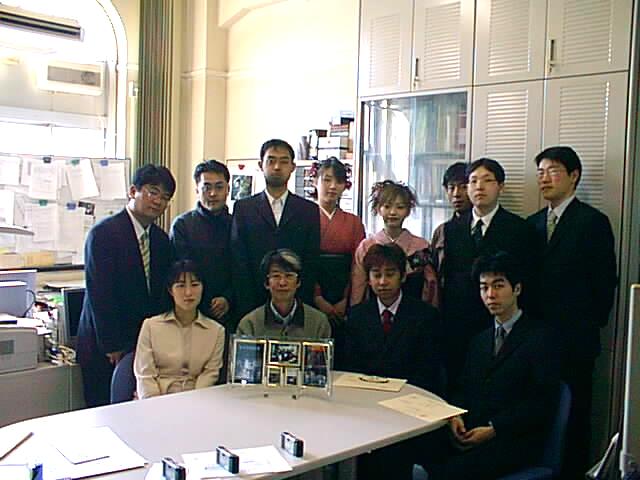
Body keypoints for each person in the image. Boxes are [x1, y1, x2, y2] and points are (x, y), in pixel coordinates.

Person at [418, 252, 560, 480]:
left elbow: (541, 403)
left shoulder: (540, 338)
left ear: (517, 289)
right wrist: (456, 416)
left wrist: (494, 429)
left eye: (498, 286)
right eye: (484, 288)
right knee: (415, 450)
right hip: (474, 430)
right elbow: (463, 388)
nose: (491, 295)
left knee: (452, 471)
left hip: (514, 438)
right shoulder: (480, 340)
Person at [527, 146, 617, 479]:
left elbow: (604, 284)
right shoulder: (533, 223)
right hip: (536, 339)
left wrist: (585, 325)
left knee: (576, 416)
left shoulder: (592, 222)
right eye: (540, 173)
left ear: (573, 176)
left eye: (552, 171)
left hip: (575, 339)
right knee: (537, 411)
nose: (544, 179)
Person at [77, 164, 175, 407]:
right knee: (103, 412)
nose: (158, 201)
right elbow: (100, 294)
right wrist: (112, 345)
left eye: (165, 197)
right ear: (133, 191)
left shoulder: (161, 240)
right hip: (105, 345)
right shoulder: (103, 234)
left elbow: (158, 296)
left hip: (143, 343)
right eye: (152, 192)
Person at [345, 243, 443, 480]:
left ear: (402, 276)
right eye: (376, 275)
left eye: (390, 274)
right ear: (368, 278)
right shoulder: (357, 316)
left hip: (408, 407)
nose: (382, 282)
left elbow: (428, 370)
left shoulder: (425, 316)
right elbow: (349, 368)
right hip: (365, 407)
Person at [441, 158, 536, 391]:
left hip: (499, 324)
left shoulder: (519, 228)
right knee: (458, 386)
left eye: (487, 180)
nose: (479, 187)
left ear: (500, 186)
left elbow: (527, 279)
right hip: (458, 324)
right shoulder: (451, 228)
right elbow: (450, 277)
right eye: (473, 181)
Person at [231, 139, 320, 318]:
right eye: (271, 161)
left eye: (284, 161)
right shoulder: (244, 208)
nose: (277, 167)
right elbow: (239, 259)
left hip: (296, 303)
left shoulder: (308, 210)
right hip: (252, 301)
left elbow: (311, 260)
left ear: (293, 167)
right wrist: (246, 304)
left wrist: (301, 303)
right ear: (260, 165)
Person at [134, 260, 225, 399]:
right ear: (170, 290)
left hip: (198, 400)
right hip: (156, 401)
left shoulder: (216, 331)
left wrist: (195, 401)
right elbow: (145, 375)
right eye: (181, 285)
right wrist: (153, 404)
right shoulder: (150, 326)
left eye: (195, 285)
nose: (188, 292)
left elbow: (210, 374)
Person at [350, 180, 438, 307]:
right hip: (374, 311)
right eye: (387, 206)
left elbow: (430, 285)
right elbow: (358, 286)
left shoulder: (421, 247)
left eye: (400, 207)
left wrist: (431, 312)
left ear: (408, 210)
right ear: (378, 209)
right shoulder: (366, 246)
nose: (393, 212)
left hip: (414, 311)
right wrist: (355, 312)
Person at [170, 159, 233, 325]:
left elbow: (242, 269)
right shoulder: (182, 225)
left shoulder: (238, 224)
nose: (213, 193)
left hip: (232, 310)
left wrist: (228, 298)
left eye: (219, 187)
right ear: (197, 189)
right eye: (206, 187)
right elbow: (180, 271)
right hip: (190, 310)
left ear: (228, 189)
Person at [309, 157, 365, 329]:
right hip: (311, 291)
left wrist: (346, 299)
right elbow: (303, 260)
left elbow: (358, 265)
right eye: (327, 180)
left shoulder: (354, 222)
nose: (333, 186)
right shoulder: (304, 218)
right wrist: (317, 296)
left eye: (339, 181)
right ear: (315, 181)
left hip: (345, 294)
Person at [236, 249, 331, 339]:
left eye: (289, 276)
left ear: (298, 282)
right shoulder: (249, 324)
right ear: (266, 283)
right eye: (276, 276)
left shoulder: (319, 322)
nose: (282, 283)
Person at [430, 162, 471, 282]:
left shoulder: (479, 227)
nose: (457, 194)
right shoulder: (441, 231)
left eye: (464, 187)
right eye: (451, 188)